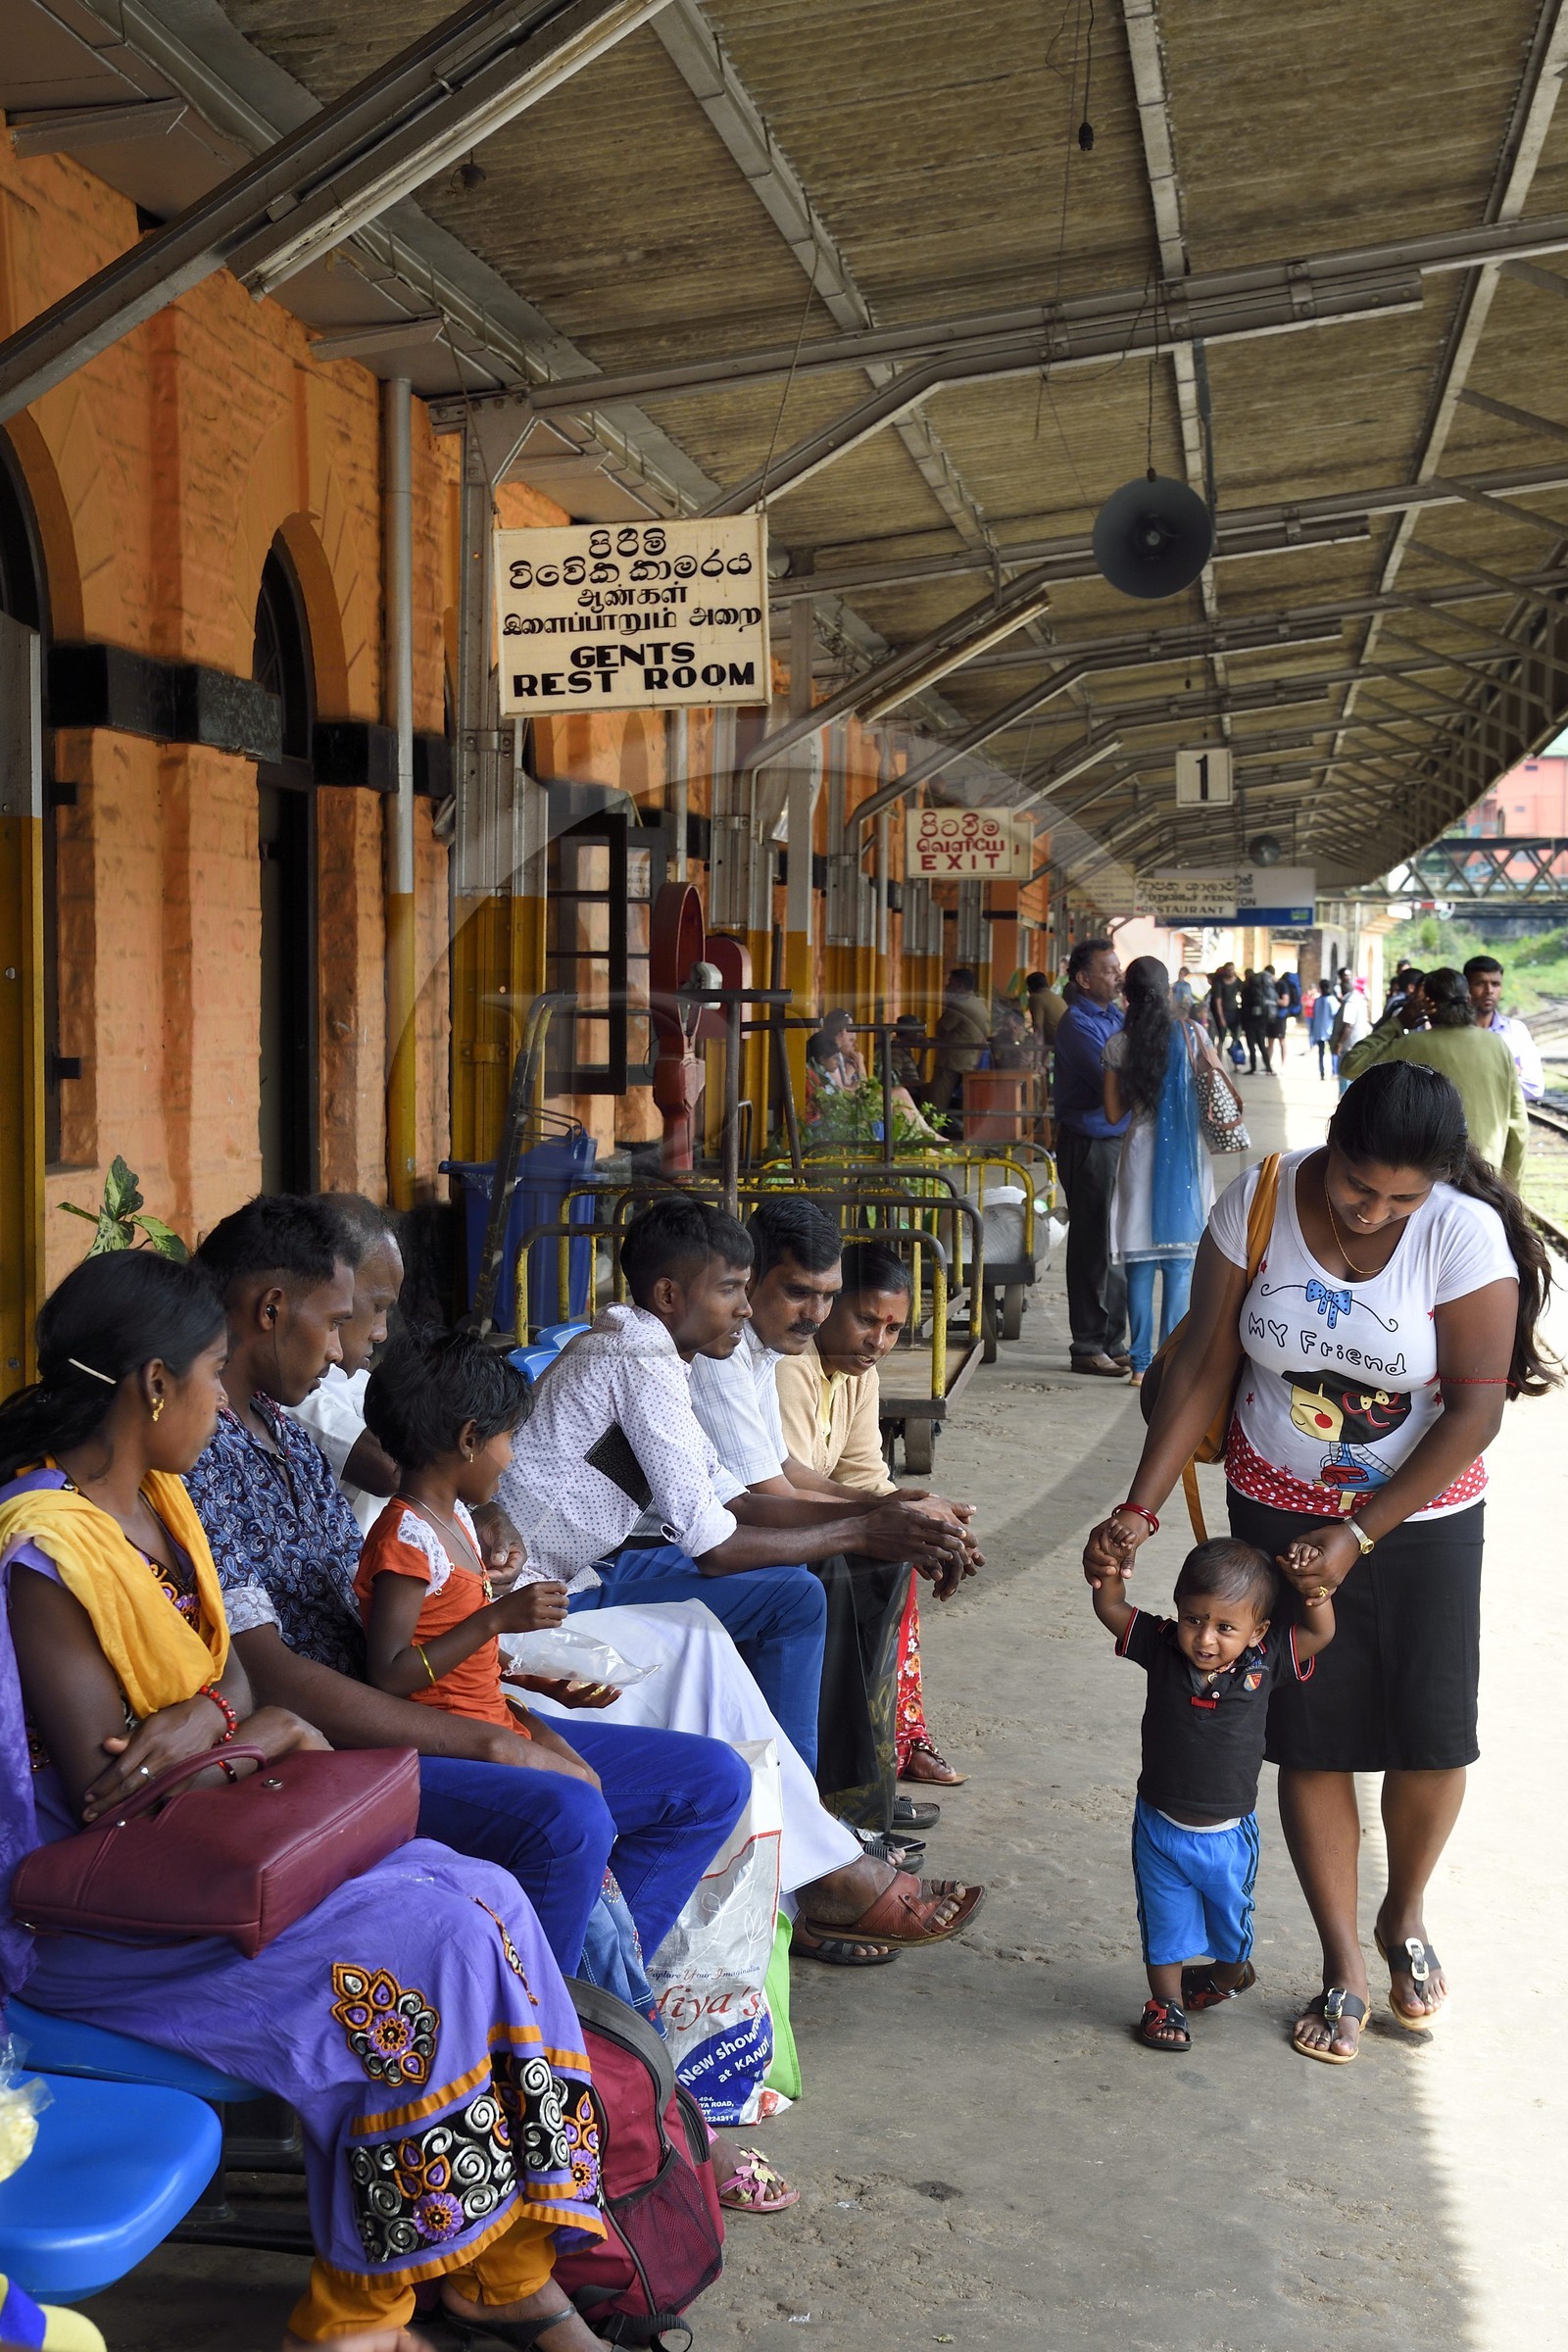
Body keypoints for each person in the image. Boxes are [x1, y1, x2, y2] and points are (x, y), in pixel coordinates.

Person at [0, 1251, 608, 2352]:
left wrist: (224, 1718)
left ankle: (504, 2268)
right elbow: (108, 1791)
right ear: (151, 1386)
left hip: (218, 1835)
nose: (224, 1399)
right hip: (113, 1913)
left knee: (490, 1909)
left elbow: (224, 1675)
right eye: (212, 1374)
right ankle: (355, 2318)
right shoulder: (45, 1553)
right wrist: (254, 1725)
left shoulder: (166, 1506)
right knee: (424, 1949)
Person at [1084, 1061, 1556, 2063]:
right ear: (1331, 1141)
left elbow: (1473, 1410)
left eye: (1400, 1198)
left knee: (1431, 1738)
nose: (1376, 1211)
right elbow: (1205, 1362)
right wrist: (1138, 1504)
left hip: (1420, 1519)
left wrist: (1359, 1532)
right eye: (1357, 1188)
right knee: (1312, 1737)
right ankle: (1344, 1964)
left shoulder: (1459, 1233)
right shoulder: (1257, 1201)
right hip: (1272, 1507)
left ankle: (1405, 1917)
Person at [182, 1194, 752, 1980]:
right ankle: (550, 2049)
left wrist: (502, 1684)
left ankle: (601, 2019)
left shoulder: (286, 1433)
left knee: (709, 1783)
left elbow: (383, 1621)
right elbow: (275, 1673)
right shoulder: (200, 1455)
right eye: (345, 1318)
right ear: (273, 1308)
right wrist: (484, 1740)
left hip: (419, 1707)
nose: (357, 1349)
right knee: (568, 1815)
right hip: (344, 1744)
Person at [684, 1199, 980, 1827]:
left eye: (825, 1296)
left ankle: (857, 1785)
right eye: (797, 1293)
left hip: (720, 1525)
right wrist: (878, 1521)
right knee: (826, 1582)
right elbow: (760, 1500)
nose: (814, 1316)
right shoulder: (724, 1357)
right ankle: (825, 1801)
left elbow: (794, 1477)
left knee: (882, 1558)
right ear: (746, 1280)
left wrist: (900, 1509)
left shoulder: (756, 1353)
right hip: (666, 1546)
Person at [1087, 1536, 1334, 2051]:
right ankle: (1166, 2003)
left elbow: (1319, 1632)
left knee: (1232, 1929)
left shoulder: (1265, 1663)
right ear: (1177, 1613)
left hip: (1227, 1834)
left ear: (1258, 1631)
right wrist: (1108, 1569)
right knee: (1163, 1921)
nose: (1204, 1638)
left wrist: (1316, 1593)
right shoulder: (1160, 1647)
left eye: (1226, 1627)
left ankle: (1227, 1977)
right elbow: (1111, 1606)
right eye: (1193, 1619)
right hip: (1158, 1824)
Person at [774, 1245, 974, 1793]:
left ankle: (893, 1746)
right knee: (872, 1564)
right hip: (771, 1524)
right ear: (827, 1306)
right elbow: (781, 1488)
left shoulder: (858, 1372)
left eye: (891, 1329)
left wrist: (931, 1522)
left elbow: (864, 1473)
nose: (878, 1341)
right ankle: (856, 1776)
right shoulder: (793, 1365)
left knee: (908, 1553)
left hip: (813, 1517)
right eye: (866, 1320)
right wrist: (895, 1514)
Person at [1102, 956, 1230, 1385]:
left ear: (1127, 995)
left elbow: (1114, 1112)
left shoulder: (1119, 1044)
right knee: (1178, 1266)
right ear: (1170, 989)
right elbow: (1213, 1088)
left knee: (1139, 1266)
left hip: (1140, 1153)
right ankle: (1166, 1362)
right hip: (1187, 1157)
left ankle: (1139, 1365)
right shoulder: (1194, 1034)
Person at [1339, 966, 1527, 1182]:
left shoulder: (1413, 1045)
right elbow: (1518, 1125)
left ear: (1426, 1003)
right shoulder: (1497, 1045)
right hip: (1486, 1175)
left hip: (1431, 1177)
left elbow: (1350, 1065)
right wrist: (1509, 1188)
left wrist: (1398, 1023)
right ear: (1467, 998)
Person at [286, 1193, 402, 1535]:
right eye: (376, 1306)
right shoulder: (291, 1388)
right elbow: (390, 1468)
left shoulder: (349, 1376)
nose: (381, 1333)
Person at [1053, 937, 1131, 1376]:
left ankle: (1112, 1339)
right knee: (1092, 1244)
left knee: (1118, 1241)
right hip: (1089, 1144)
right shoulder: (1078, 1024)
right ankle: (1086, 1343)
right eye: (1108, 969)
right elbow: (1112, 1079)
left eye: (1118, 967)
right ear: (1084, 979)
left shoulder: (1116, 1016)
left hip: (1119, 1141)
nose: (1117, 974)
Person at [1465, 954, 1544, 1102]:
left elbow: (1535, 1088)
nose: (1489, 990)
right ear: (1466, 988)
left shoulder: (1516, 1030)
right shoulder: (1455, 1032)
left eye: (1495, 984)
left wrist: (1477, 1079)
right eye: (1480, 983)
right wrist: (1509, 1073)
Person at [927, 967, 992, 1119]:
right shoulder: (979, 1004)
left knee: (936, 1103)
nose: (947, 987)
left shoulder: (959, 1005)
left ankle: (930, 1137)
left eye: (950, 983)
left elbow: (941, 1028)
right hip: (971, 1060)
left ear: (960, 985)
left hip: (951, 1061)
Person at [1240, 966, 1278, 1074]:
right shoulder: (1261, 989)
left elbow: (1245, 1005)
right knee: (1261, 1043)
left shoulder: (1246, 988)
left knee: (1251, 1044)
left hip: (1249, 1019)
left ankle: (1253, 1067)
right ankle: (1268, 1067)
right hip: (1261, 1018)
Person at [1026, 969, 1069, 1050]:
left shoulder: (1036, 998)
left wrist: (1037, 1061)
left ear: (1030, 988)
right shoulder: (1056, 997)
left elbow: (1038, 1031)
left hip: (1060, 1045)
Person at [1207, 964, 1244, 1059]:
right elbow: (1218, 1001)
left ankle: (1237, 1061)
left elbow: (1243, 993)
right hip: (1223, 1012)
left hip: (1235, 1012)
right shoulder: (1220, 983)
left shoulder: (1238, 981)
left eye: (1232, 969)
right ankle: (1220, 1061)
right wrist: (1221, 1017)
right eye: (1228, 970)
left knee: (1236, 1038)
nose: (1230, 971)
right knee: (1221, 1039)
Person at [1308, 977, 1340, 1080]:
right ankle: (1334, 1072)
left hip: (1318, 1030)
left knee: (1321, 1053)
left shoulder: (1317, 1000)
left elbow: (1314, 1016)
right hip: (1330, 1030)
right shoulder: (1332, 1000)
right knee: (1333, 1052)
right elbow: (1336, 1015)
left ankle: (1322, 1073)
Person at [1270, 965, 1298, 1063]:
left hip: (1280, 1016)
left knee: (1281, 1040)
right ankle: (1268, 1064)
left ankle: (1283, 1064)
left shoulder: (1282, 985)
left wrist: (1272, 999)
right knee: (1270, 1041)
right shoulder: (1271, 985)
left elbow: (1285, 1002)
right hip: (1273, 1016)